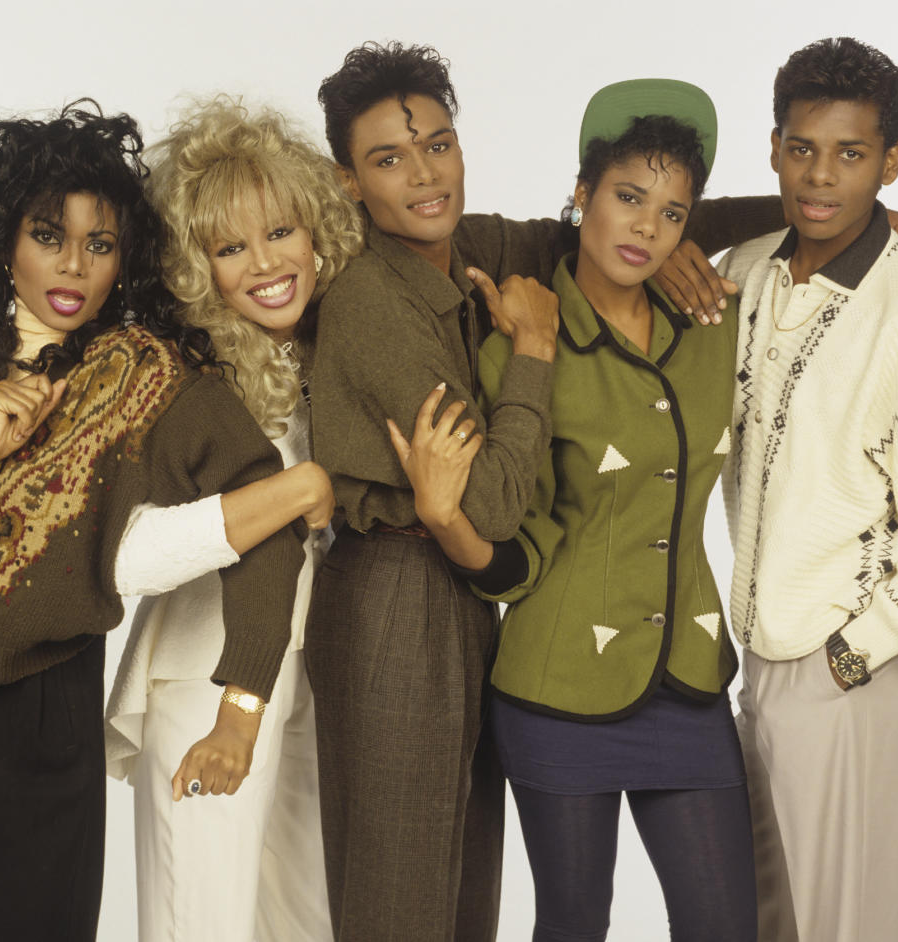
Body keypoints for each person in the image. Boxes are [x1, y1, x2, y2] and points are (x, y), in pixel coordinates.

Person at [305, 41, 788, 942]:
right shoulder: (372, 298)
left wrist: (814, 217)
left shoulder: (471, 243)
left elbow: (620, 215)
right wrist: (532, 350)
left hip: (472, 598)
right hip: (391, 595)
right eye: (388, 158)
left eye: (437, 144)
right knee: (400, 894)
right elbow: (488, 505)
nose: (424, 174)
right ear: (346, 182)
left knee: (464, 896)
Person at [0, 101, 304, 942]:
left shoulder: (152, 381)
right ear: (3, 244)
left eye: (100, 244)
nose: (73, 264)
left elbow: (268, 515)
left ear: (125, 259)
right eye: (49, 235)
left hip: (29, 714)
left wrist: (242, 703)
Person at [716, 38, 898, 941]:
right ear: (773, 148)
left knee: (846, 923)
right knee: (772, 917)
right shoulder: (746, 271)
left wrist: (851, 657)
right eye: (803, 148)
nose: (822, 176)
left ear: (891, 164)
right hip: (762, 657)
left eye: (852, 155)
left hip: (851, 668)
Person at [104, 96, 361, 942]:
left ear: (317, 227)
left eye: (280, 232)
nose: (264, 263)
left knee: (308, 922)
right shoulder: (175, 376)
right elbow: (124, 556)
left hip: (319, 672)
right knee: (201, 923)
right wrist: (281, 497)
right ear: (193, 265)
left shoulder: (337, 346)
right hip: (210, 678)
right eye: (229, 246)